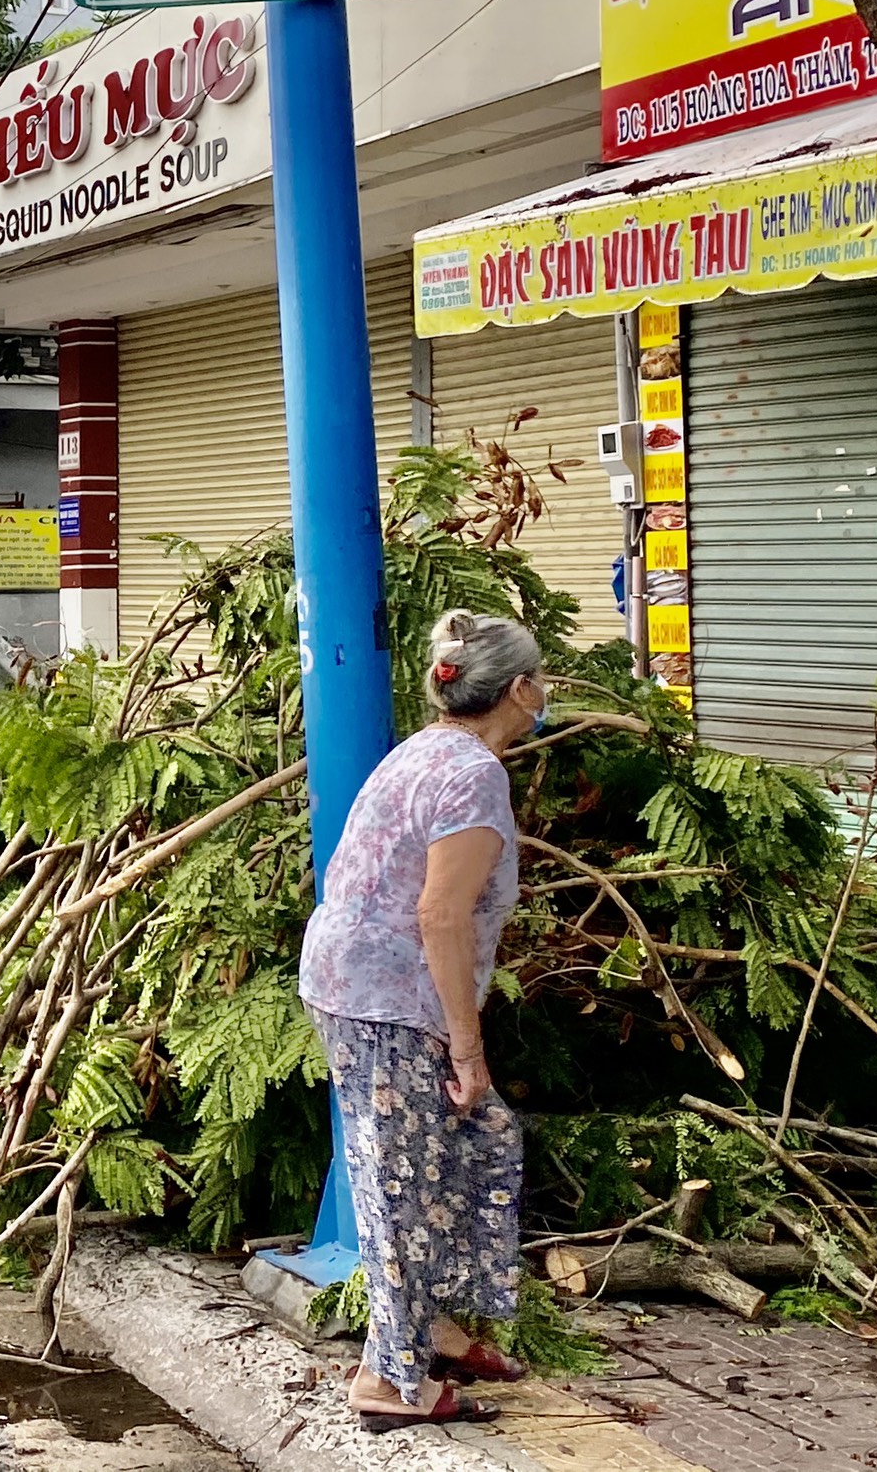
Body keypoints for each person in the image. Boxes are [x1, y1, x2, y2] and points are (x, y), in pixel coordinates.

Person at [297, 610, 545, 1431]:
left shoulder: (426, 749)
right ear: (517, 691)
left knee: (468, 1147)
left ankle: (427, 1325)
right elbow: (442, 915)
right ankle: (389, 1380)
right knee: (401, 1178)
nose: (545, 694)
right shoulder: (473, 773)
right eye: (540, 681)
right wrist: (466, 1045)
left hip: (359, 982)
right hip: (387, 998)